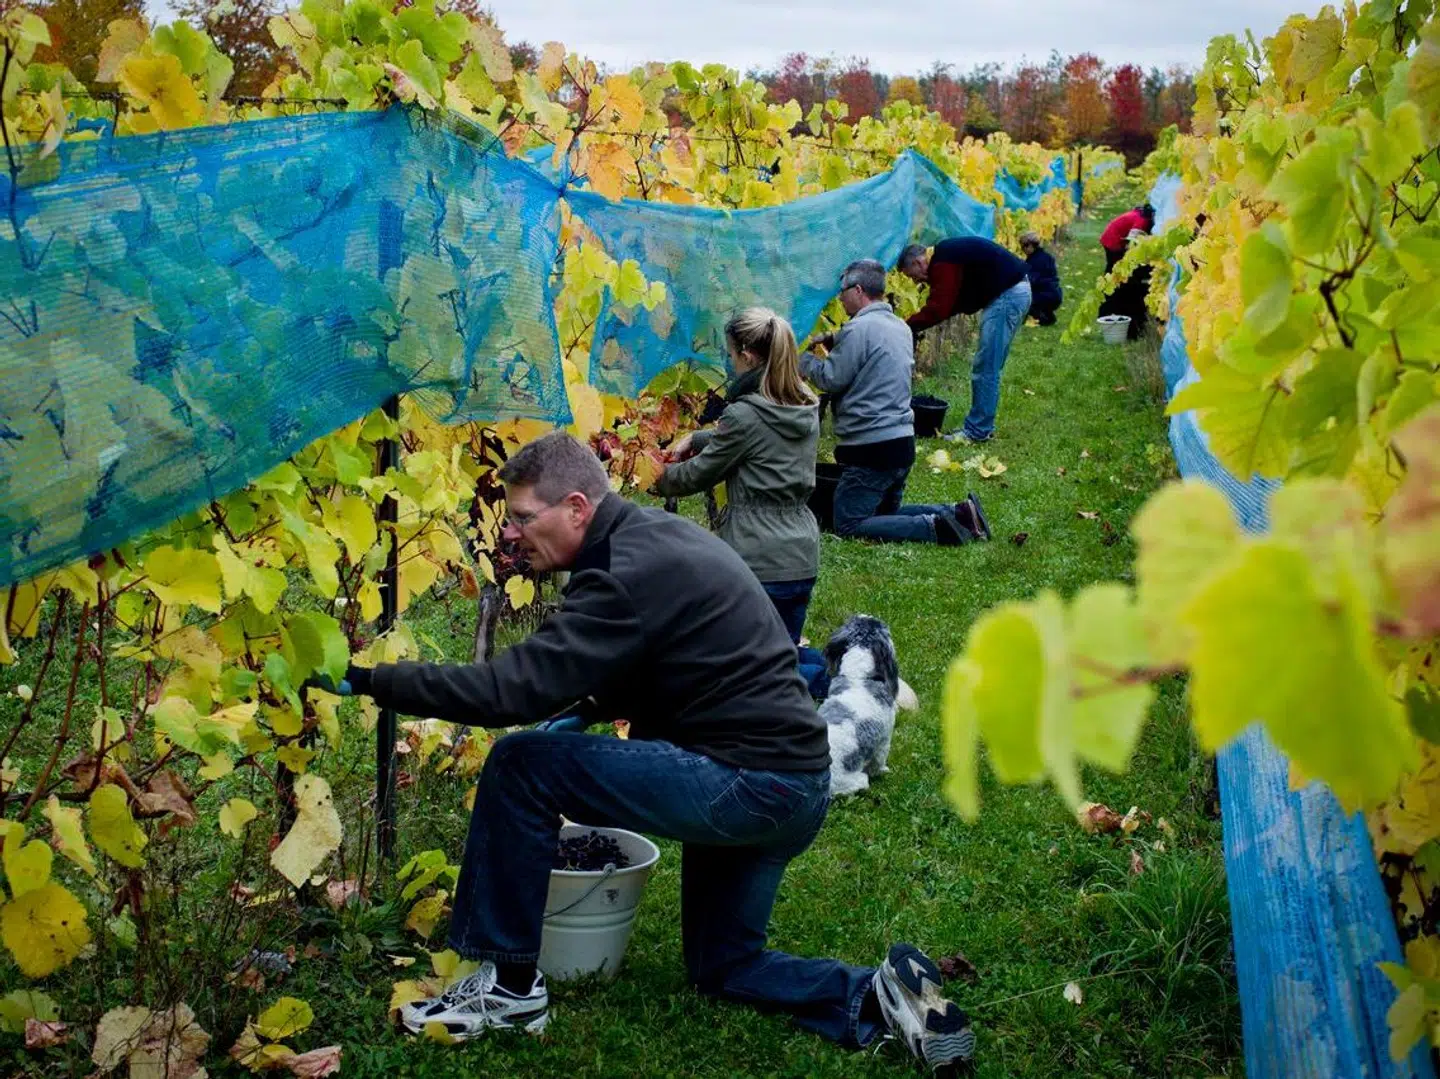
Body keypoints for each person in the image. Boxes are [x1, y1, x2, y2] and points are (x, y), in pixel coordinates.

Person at [315, 431, 976, 1071]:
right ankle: (877, 993)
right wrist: (585, 711)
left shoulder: (622, 572)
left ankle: (510, 989)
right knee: (725, 964)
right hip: (798, 783)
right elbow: (647, 660)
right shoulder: (652, 540)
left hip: (749, 783)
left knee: (520, 765)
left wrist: (368, 678)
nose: (509, 533)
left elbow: (504, 692)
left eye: (521, 516)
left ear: (576, 508)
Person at [653, 307, 829, 698]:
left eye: (731, 355)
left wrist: (649, 475)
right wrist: (698, 438)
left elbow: (697, 475)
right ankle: (841, 670)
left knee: (748, 676)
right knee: (779, 656)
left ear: (747, 357)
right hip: (800, 554)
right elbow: (758, 445)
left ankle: (838, 680)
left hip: (757, 558)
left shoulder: (745, 415)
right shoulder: (802, 404)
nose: (729, 364)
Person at [800, 259, 989, 546]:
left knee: (849, 523)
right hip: (900, 443)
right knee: (886, 514)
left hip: (870, 449)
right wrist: (832, 337)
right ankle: (958, 513)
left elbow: (830, 378)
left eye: (843, 291)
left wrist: (800, 359)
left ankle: (937, 527)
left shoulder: (858, 330)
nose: (839, 297)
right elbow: (866, 344)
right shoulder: (899, 326)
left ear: (859, 290)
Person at [897, 238, 1032, 443]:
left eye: (912, 276)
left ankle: (978, 431)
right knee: (990, 366)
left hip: (1007, 297)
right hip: (1013, 293)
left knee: (986, 366)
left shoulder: (943, 261)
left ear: (918, 262)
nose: (916, 282)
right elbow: (954, 303)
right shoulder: (946, 255)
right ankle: (981, 426)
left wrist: (904, 326)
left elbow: (940, 308)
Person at [1098, 204, 1156, 340]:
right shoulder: (1142, 221)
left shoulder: (1142, 216)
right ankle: (1110, 313)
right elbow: (1132, 245)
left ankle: (1111, 309)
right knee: (1117, 276)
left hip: (1113, 239)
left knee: (1120, 278)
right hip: (1113, 242)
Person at [1018, 230, 1062, 326]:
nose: (1022, 249)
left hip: (1045, 296)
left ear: (1031, 246)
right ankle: (1049, 317)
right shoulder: (1047, 257)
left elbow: (1030, 281)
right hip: (1056, 294)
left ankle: (1042, 319)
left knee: (1024, 299)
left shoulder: (1034, 261)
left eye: (1024, 246)